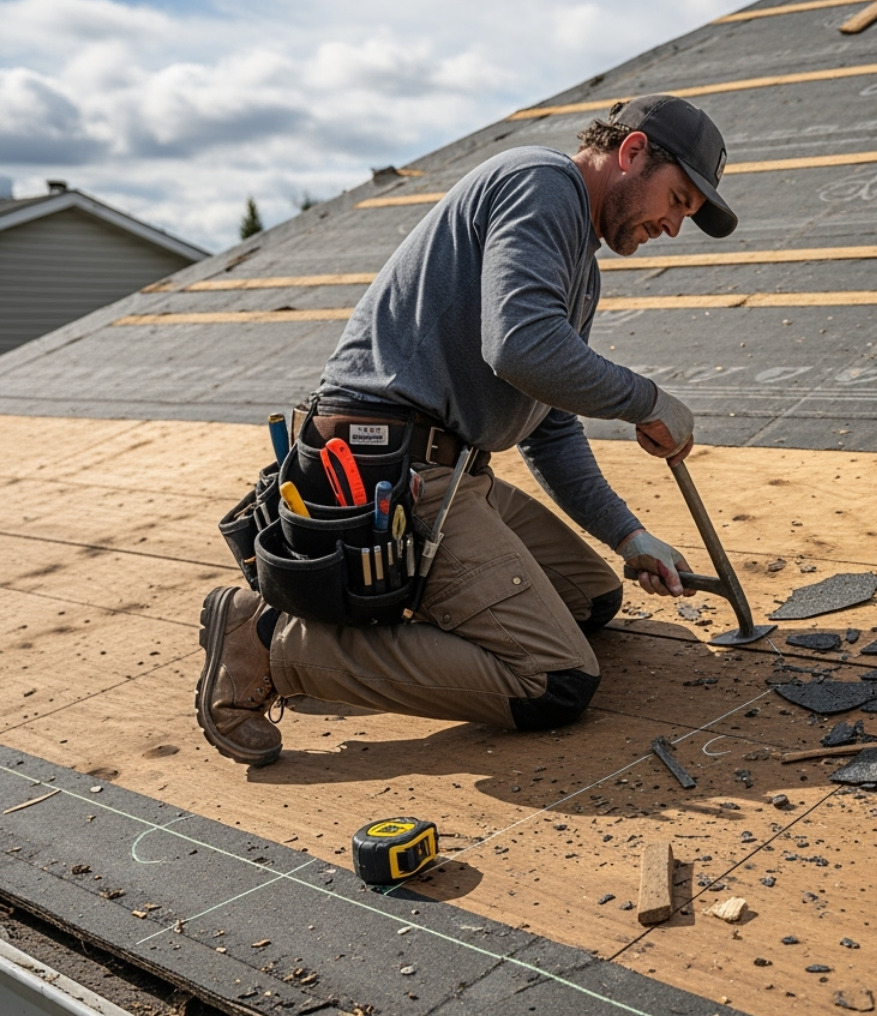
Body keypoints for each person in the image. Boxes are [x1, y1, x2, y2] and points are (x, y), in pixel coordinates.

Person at [195, 94, 737, 766]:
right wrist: (646, 401)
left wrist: (629, 536)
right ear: (632, 152)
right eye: (677, 200)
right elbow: (522, 347)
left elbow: (549, 427)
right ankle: (271, 641)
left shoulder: (578, 263)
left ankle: (401, 631)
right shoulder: (542, 183)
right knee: (554, 680)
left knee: (592, 598)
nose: (674, 226)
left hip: (452, 475)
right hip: (390, 467)